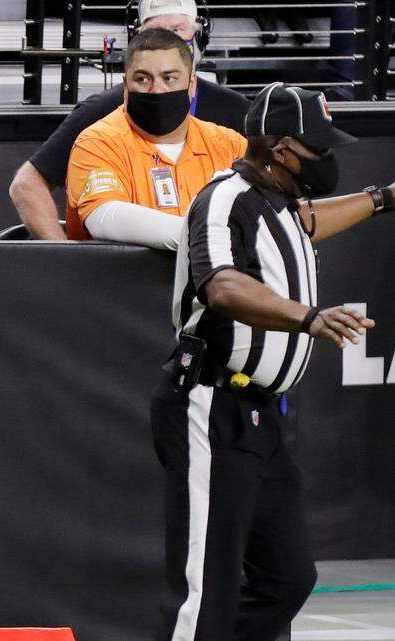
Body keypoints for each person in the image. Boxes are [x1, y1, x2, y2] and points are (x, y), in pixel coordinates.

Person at [152, 83, 392, 641]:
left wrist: (383, 198)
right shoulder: (224, 197)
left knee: (286, 577)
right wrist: (308, 318)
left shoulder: (278, 202)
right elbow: (223, 285)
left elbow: (308, 221)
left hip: (259, 415)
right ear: (282, 149)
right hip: (212, 403)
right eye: (319, 149)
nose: (328, 160)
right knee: (203, 589)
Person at [9, 0, 250, 240]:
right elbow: (99, 214)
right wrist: (61, 256)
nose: (157, 90)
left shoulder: (231, 133)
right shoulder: (98, 129)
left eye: (177, 30)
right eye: (143, 79)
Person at [64, 28, 247, 249]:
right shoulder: (98, 142)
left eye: (169, 78)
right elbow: (104, 218)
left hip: (208, 282)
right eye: (142, 79)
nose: (156, 90)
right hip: (120, 281)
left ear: (192, 85)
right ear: (125, 86)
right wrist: (210, 237)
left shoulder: (230, 145)